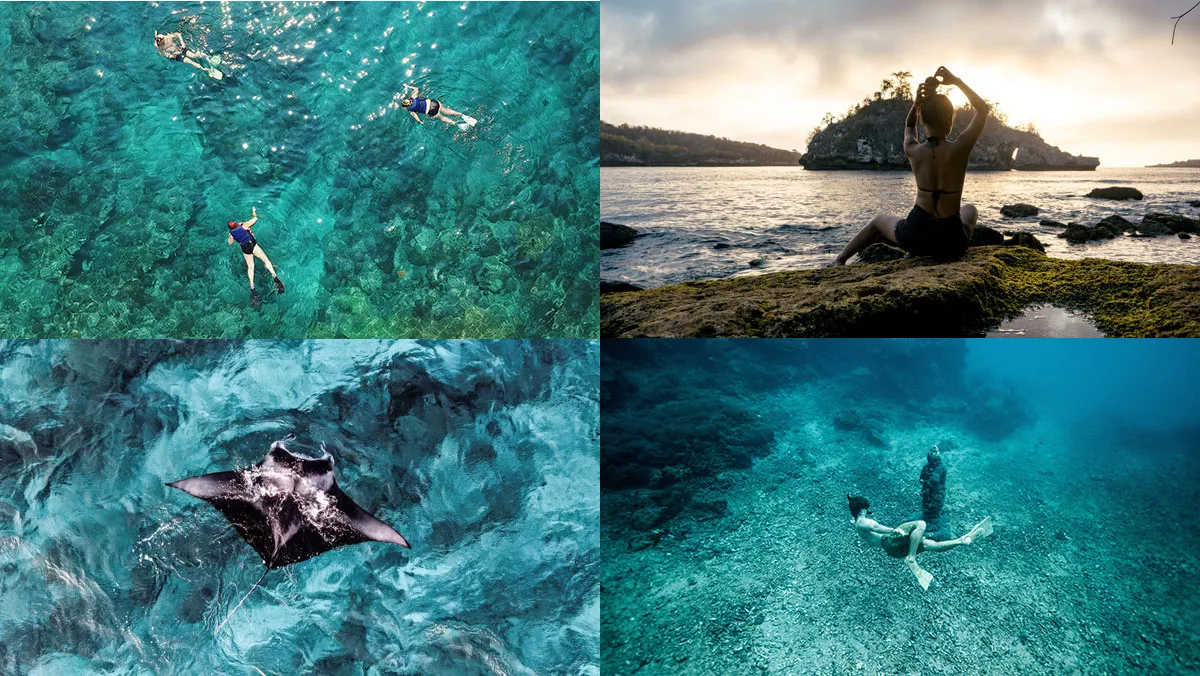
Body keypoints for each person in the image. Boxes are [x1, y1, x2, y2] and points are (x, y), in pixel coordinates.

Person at [831, 67, 989, 265]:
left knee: (878, 221)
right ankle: (929, 249)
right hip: (952, 240)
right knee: (970, 210)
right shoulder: (960, 148)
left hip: (916, 235)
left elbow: (909, 128)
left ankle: (840, 260)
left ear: (923, 120)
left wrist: (916, 104)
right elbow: (983, 109)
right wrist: (956, 81)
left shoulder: (913, 149)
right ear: (950, 120)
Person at [848, 494, 991, 591]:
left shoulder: (857, 523)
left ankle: (962, 541)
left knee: (928, 544)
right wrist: (894, 530)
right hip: (889, 541)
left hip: (893, 550)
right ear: (863, 508)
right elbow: (875, 527)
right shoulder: (862, 521)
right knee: (920, 524)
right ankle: (911, 558)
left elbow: (871, 529)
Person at [227, 207, 284, 308]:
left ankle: (252, 287)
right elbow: (255, 219)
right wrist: (253, 212)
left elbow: (230, 243)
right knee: (266, 260)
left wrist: (230, 235)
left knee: (251, 267)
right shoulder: (244, 226)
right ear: (236, 224)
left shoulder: (231, 233)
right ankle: (274, 276)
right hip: (252, 245)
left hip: (245, 248)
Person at [399, 84, 477, 129]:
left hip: (432, 111)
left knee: (443, 118)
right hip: (434, 103)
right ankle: (463, 115)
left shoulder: (410, 110)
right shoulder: (414, 97)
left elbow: (416, 117)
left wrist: (420, 122)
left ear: (406, 106)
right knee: (447, 110)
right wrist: (407, 86)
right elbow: (416, 89)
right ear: (408, 100)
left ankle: (456, 124)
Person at [154, 31, 222, 79]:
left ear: (163, 39)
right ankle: (206, 70)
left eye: (162, 43)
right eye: (160, 44)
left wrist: (182, 43)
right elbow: (161, 52)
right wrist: (168, 55)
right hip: (176, 56)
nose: (161, 44)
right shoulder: (157, 45)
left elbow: (178, 34)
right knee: (191, 62)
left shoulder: (168, 37)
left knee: (194, 55)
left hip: (180, 48)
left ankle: (209, 58)